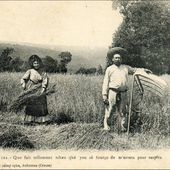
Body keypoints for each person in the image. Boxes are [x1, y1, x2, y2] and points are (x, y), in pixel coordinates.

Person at [102, 47, 150, 131]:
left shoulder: (125, 68)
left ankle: (123, 128)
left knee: (123, 111)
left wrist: (144, 70)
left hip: (123, 93)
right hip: (113, 92)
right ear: (112, 59)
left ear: (121, 59)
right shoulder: (109, 69)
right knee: (110, 110)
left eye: (119, 58)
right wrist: (104, 95)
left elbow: (135, 70)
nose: (118, 59)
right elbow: (105, 82)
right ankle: (106, 126)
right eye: (116, 58)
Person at [21, 55, 49, 125]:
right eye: (35, 63)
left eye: (37, 63)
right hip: (31, 89)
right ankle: (30, 121)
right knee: (31, 104)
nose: (36, 65)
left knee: (41, 105)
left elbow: (45, 81)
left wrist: (43, 88)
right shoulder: (30, 71)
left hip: (40, 90)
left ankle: (40, 121)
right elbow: (23, 79)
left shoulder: (43, 72)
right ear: (32, 64)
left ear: (40, 63)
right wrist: (24, 85)